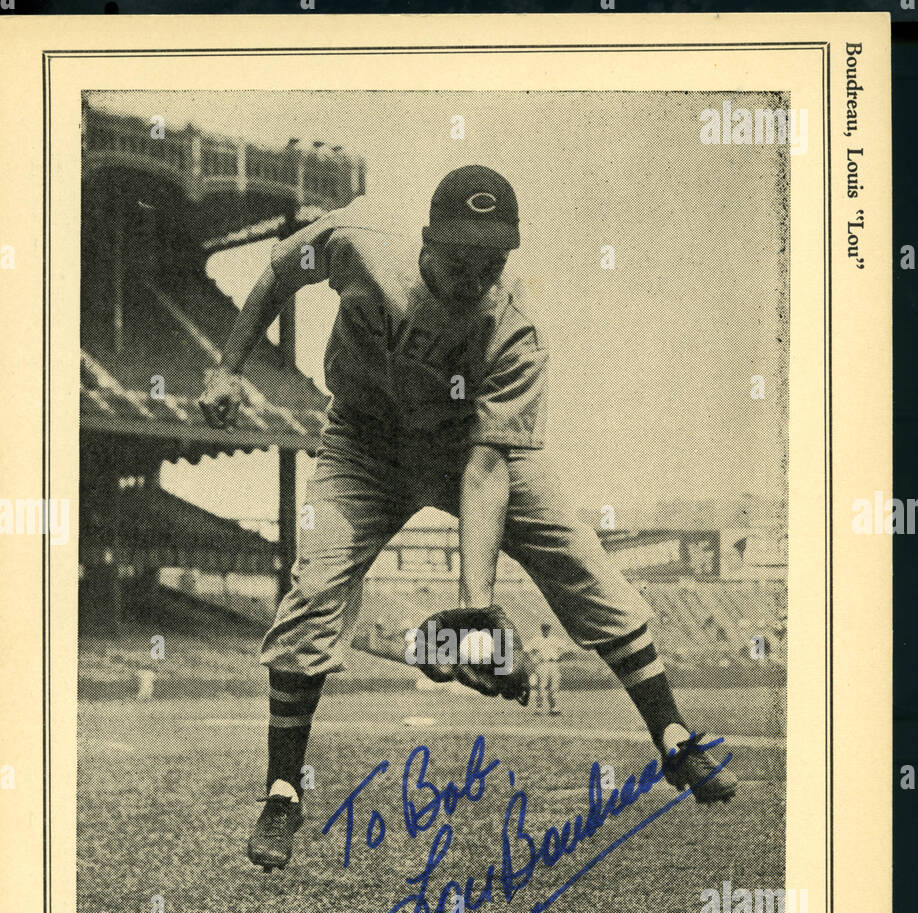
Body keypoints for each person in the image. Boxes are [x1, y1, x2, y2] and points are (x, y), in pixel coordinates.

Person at [199, 165, 736, 871]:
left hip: (466, 446)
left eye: (494, 261)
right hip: (365, 443)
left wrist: (476, 613)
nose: (476, 276)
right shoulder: (359, 239)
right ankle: (282, 792)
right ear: (426, 240)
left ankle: (672, 736)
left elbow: (486, 468)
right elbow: (276, 277)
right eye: (461, 260)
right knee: (315, 585)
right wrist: (229, 367)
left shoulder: (512, 323)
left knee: (579, 560)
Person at [531, 622, 567, 715]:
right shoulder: (537, 639)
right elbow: (528, 650)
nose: (546, 630)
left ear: (550, 630)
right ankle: (539, 708)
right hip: (542, 664)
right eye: (544, 629)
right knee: (541, 686)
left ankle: (554, 707)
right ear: (541, 629)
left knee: (554, 686)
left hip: (553, 664)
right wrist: (534, 659)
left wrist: (559, 656)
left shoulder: (554, 639)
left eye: (547, 629)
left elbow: (564, 648)